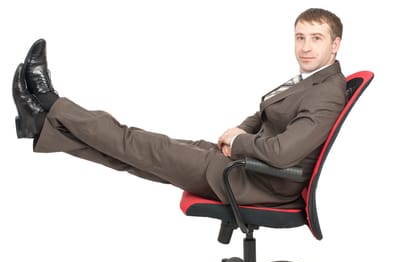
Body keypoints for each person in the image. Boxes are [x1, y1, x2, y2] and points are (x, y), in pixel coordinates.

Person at [12, 8, 346, 208]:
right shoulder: (309, 80)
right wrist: (241, 131)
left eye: (316, 38)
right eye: (300, 37)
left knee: (133, 143)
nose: (304, 47)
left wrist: (238, 142)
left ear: (335, 45)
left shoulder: (327, 93)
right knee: (130, 152)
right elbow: (264, 114)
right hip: (241, 164)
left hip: (256, 180)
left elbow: (282, 152)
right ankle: (40, 126)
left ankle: (49, 103)